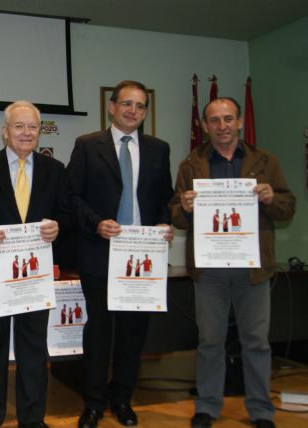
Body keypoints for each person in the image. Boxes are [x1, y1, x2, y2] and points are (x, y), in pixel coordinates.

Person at [170, 97, 295, 428]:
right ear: (206, 126)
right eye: (214, 120)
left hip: (252, 269)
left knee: (256, 342)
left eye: (228, 119)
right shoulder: (190, 164)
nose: (222, 126)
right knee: (209, 341)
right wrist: (183, 206)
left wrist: (272, 198)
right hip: (209, 270)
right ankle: (208, 407)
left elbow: (288, 208)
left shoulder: (266, 162)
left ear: (239, 122)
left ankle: (261, 411)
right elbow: (176, 217)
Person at [66, 80, 174, 427]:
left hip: (142, 257)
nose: (133, 110)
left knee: (133, 332)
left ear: (145, 112)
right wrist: (96, 224)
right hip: (100, 252)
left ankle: (123, 399)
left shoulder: (159, 148)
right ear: (112, 107)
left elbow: (164, 199)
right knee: (99, 331)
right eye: (126, 103)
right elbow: (72, 197)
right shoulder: (86, 145)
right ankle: (94, 402)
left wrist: (163, 223)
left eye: (140, 106)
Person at [0, 100, 66, 428]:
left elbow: (67, 214)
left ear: (39, 132)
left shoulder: (55, 169)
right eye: (19, 126)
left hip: (34, 276)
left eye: (32, 127)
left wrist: (58, 226)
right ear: (5, 132)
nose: (26, 132)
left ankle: (32, 419)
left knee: (33, 351)